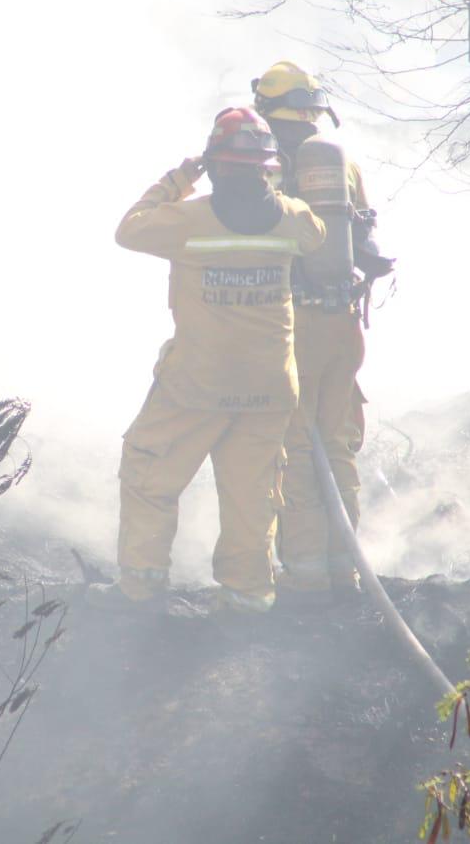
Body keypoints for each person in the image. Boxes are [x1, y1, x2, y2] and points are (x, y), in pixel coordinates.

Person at [91, 106, 325, 615]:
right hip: (269, 389)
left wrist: (179, 178)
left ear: (215, 165)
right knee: (253, 497)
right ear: (268, 166)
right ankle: (247, 599)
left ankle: (140, 589)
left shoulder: (187, 218)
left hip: (197, 385)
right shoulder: (293, 218)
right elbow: (318, 237)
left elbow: (128, 229)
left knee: (149, 474)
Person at [250, 61, 394, 607]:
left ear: (266, 106)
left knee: (294, 447)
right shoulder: (341, 163)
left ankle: (306, 578)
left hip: (291, 326)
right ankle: (347, 572)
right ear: (314, 108)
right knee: (336, 446)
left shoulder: (264, 163)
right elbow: (365, 237)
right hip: (342, 327)